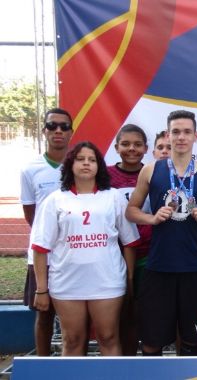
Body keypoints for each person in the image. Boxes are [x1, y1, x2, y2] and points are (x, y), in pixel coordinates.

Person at [126, 110, 197, 356]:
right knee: (151, 341)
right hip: (159, 267)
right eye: (175, 132)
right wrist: (151, 218)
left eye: (186, 132)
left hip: (193, 268)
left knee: (193, 340)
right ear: (168, 135)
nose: (181, 137)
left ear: (196, 136)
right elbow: (131, 211)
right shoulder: (151, 170)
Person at [31, 141, 140, 356]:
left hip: (107, 281)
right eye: (80, 159)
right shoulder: (55, 200)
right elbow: (40, 247)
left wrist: (129, 279)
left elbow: (130, 242)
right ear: (71, 165)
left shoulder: (113, 197)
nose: (86, 164)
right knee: (72, 340)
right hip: (67, 282)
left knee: (108, 337)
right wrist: (41, 289)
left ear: (99, 166)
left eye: (92, 160)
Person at [20, 108, 73, 356]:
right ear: (44, 131)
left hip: (75, 254)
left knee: (74, 319)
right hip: (44, 257)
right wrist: (48, 239)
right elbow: (31, 215)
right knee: (44, 315)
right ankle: (43, 363)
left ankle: (74, 365)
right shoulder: (30, 169)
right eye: (52, 126)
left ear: (71, 132)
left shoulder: (81, 165)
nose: (58, 131)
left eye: (64, 126)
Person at [107, 124, 153, 355]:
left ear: (146, 148)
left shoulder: (155, 172)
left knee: (143, 315)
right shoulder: (104, 176)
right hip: (115, 257)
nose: (131, 149)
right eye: (125, 144)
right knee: (120, 317)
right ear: (116, 147)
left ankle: (144, 364)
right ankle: (125, 363)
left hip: (149, 256)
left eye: (137, 144)